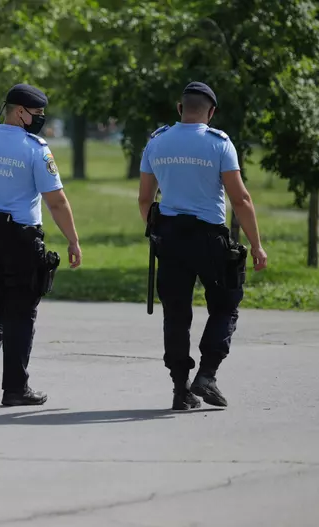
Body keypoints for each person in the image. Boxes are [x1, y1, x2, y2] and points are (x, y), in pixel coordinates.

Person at [138, 81, 268, 411]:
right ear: (211, 113)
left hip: (169, 236)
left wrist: (156, 232)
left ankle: (180, 390)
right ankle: (207, 375)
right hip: (210, 238)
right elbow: (240, 198)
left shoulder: (157, 142)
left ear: (180, 108)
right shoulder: (219, 144)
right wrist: (256, 245)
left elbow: (144, 198)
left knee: (176, 314)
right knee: (225, 304)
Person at [0, 84, 82, 406]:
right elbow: (57, 202)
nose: (39, 120)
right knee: (21, 311)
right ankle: (15, 389)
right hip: (22, 236)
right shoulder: (36, 149)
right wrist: (73, 240)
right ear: (20, 111)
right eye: (36, 114)